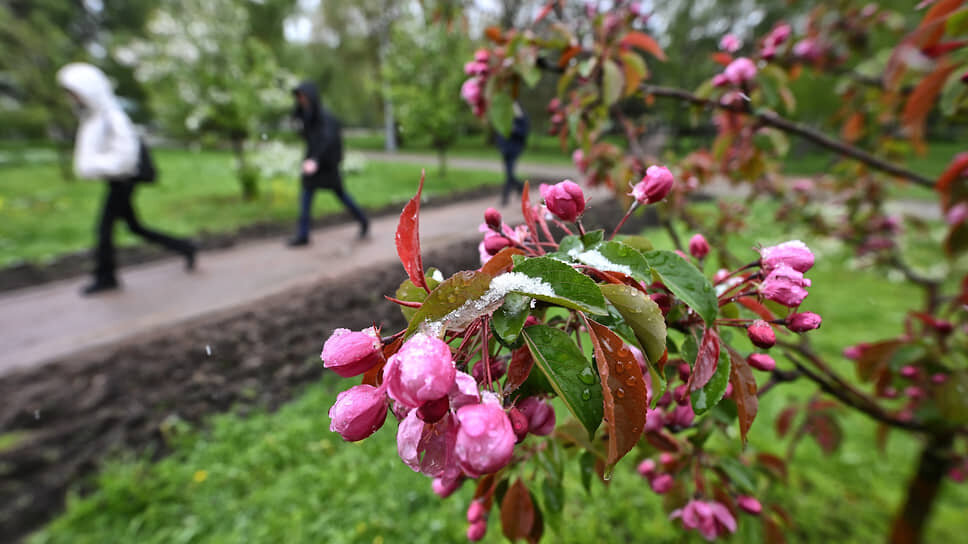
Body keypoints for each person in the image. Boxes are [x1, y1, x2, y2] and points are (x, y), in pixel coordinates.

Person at [56, 62, 195, 296]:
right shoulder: (96, 117)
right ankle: (185, 247)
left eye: (74, 93)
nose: (73, 99)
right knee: (133, 227)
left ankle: (106, 276)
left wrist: (94, 165)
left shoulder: (112, 117)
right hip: (117, 180)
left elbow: (125, 155)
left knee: (104, 229)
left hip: (124, 179)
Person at [288, 81, 368, 246]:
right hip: (312, 165)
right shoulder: (307, 115)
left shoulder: (325, 117)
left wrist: (316, 160)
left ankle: (363, 220)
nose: (301, 100)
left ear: (311, 96)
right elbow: (307, 136)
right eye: (299, 97)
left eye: (303, 96)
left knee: (341, 195)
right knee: (305, 197)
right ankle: (303, 234)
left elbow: (328, 140)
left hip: (327, 166)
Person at [495, 102, 530, 206]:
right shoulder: (505, 117)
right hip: (505, 149)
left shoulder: (521, 118)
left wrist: (514, 129)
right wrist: (500, 145)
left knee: (509, 174)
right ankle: (520, 187)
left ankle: (505, 198)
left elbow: (524, 132)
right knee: (509, 174)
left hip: (515, 149)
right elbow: (500, 132)